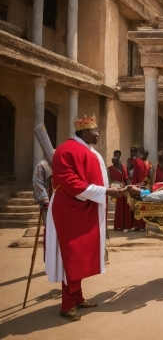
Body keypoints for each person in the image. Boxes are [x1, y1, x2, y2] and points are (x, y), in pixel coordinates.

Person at [45, 115, 126, 321]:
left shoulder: (86, 149)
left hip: (84, 208)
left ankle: (78, 297)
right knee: (71, 257)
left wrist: (106, 191)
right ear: (84, 132)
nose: (98, 133)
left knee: (80, 256)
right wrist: (106, 192)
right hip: (70, 211)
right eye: (94, 131)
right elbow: (69, 181)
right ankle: (67, 305)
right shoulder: (67, 150)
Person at [107, 156, 132, 231]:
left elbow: (126, 178)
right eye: (113, 161)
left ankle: (124, 225)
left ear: (118, 161)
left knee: (122, 207)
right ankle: (118, 225)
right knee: (117, 208)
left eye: (115, 161)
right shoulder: (110, 168)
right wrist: (111, 186)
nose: (114, 163)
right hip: (113, 186)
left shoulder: (122, 167)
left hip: (122, 187)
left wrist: (126, 188)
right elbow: (108, 178)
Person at [130, 148, 149, 231]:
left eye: (146, 154)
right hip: (140, 187)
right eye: (144, 153)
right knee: (137, 205)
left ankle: (142, 226)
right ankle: (137, 225)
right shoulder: (139, 162)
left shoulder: (147, 163)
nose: (145, 155)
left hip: (144, 187)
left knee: (142, 205)